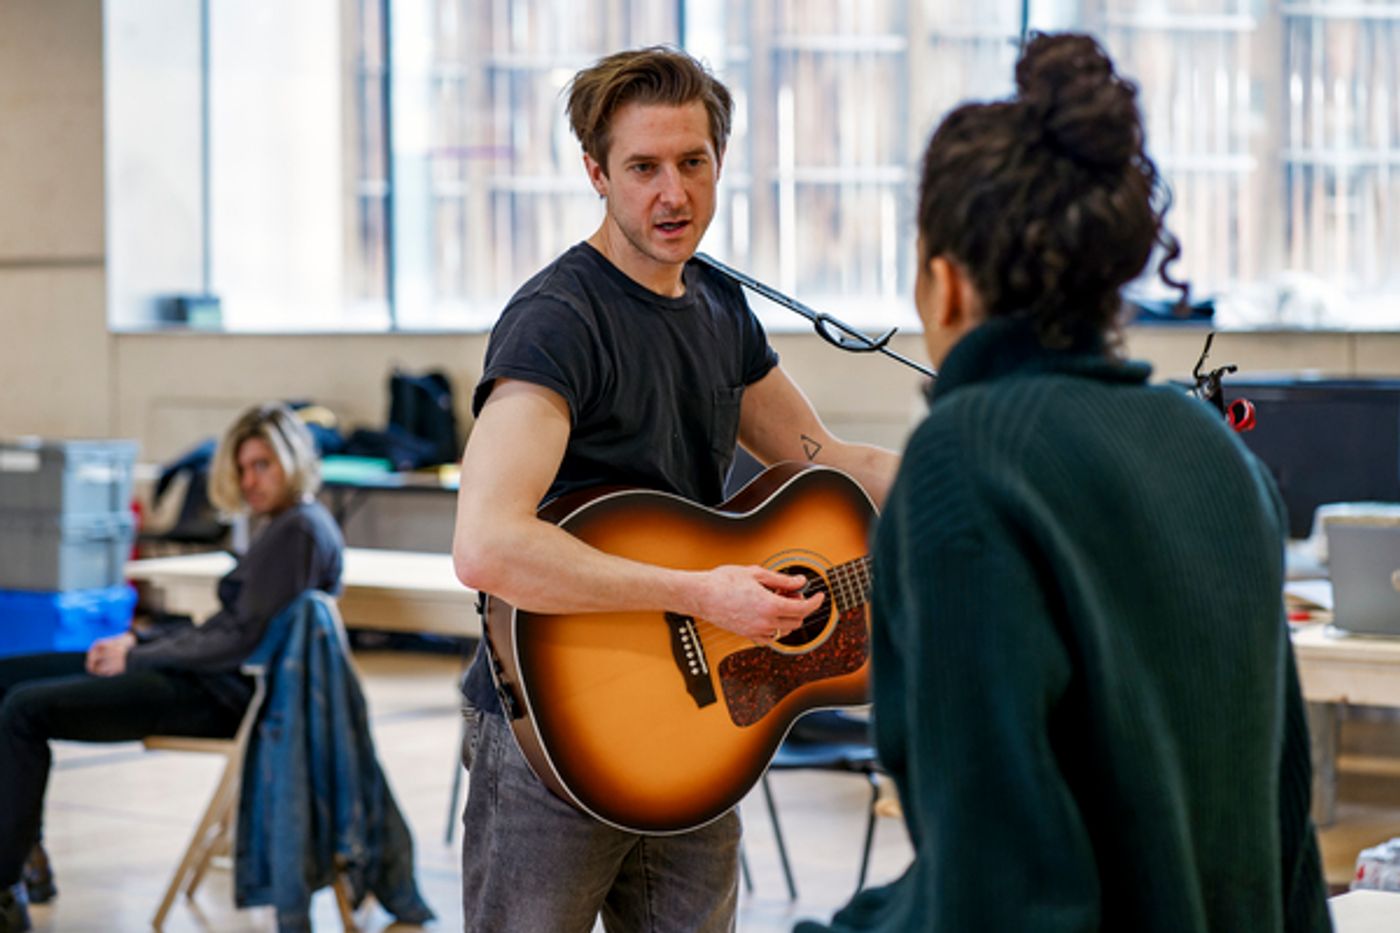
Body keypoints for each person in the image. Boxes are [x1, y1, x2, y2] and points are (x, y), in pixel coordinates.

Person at [798, 32, 1332, 933]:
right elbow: (1285, 845)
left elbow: (995, 892)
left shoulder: (964, 460)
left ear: (945, 283)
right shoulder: (1219, 457)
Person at [450, 45, 900, 932]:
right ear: (596, 173)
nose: (674, 194)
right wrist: (702, 592)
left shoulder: (721, 308)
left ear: (719, 163)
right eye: (644, 167)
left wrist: (977, 464)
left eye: (693, 163)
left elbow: (822, 458)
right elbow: (488, 546)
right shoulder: (558, 323)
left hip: (696, 735)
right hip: (557, 731)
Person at [0, 403, 344, 933]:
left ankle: (6, 886)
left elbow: (235, 643)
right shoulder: (279, 526)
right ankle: (25, 855)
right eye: (243, 468)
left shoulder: (297, 530)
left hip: (220, 698)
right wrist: (143, 636)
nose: (250, 480)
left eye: (263, 466)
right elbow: (227, 627)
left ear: (292, 462)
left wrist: (137, 655)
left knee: (22, 710)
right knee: (7, 677)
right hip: (200, 676)